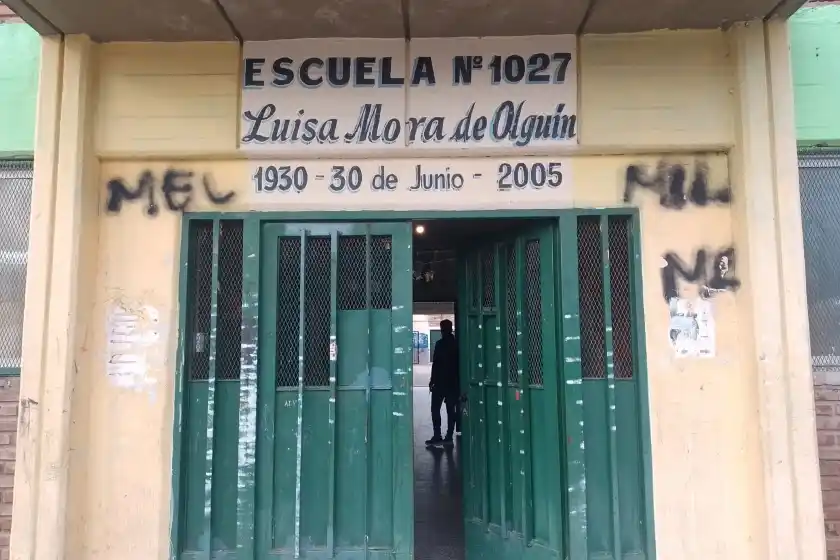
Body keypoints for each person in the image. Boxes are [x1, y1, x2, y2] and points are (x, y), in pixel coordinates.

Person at [425, 319, 460, 447]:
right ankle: (449, 435)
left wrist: (432, 380)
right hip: (452, 383)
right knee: (451, 410)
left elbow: (436, 364)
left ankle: (437, 434)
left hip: (440, 382)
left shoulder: (440, 344)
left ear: (442, 330)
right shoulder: (456, 344)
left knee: (435, 409)